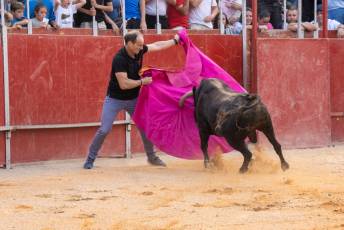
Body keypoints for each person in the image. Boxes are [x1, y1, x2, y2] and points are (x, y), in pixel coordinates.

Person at [83, 30, 180, 169]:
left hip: (134, 99)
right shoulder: (119, 59)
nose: (142, 48)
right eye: (139, 45)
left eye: (142, 45)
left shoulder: (138, 50)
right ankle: (90, 159)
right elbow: (124, 84)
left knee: (145, 127)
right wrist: (142, 82)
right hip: (115, 99)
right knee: (104, 129)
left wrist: (175, 41)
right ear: (129, 44)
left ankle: (151, 157)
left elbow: (157, 45)